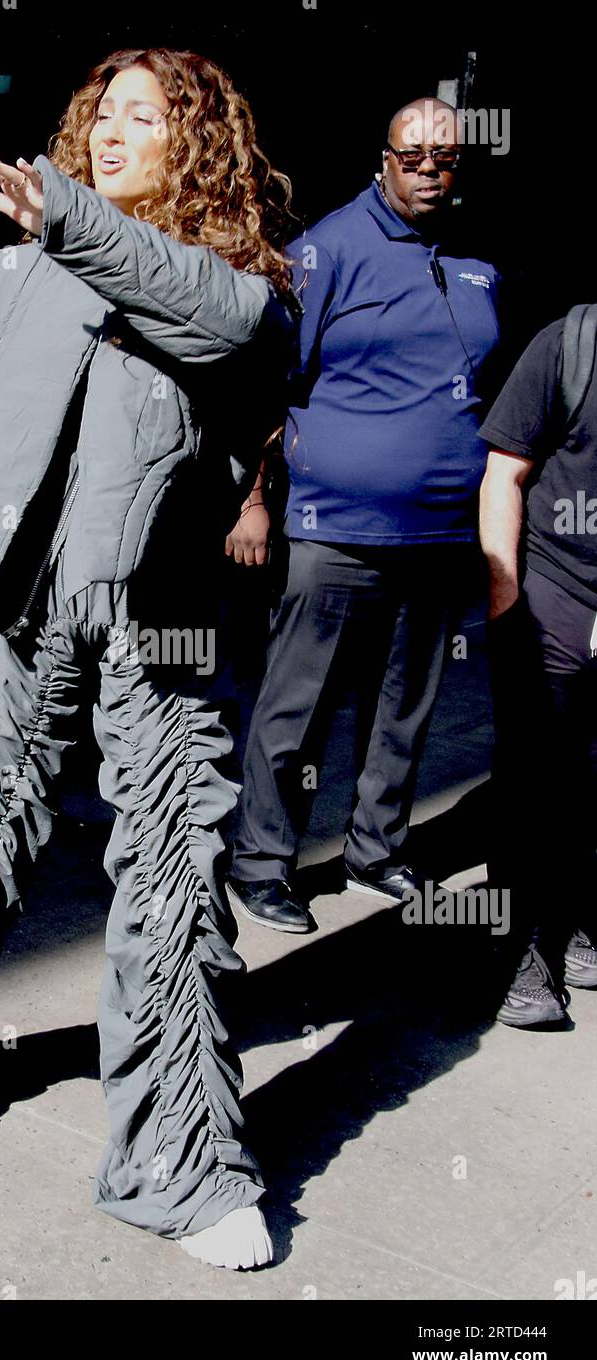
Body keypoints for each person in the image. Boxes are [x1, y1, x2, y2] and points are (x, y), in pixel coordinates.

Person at [0, 48, 298, 1271]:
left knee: (174, 875)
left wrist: (72, 222)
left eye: (148, 117)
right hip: (13, 609)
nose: (115, 133)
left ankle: (178, 1164)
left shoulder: (232, 279)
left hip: (157, 618)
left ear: (196, 146)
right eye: (104, 115)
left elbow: (219, 321)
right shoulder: (17, 272)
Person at [227, 97, 502, 931]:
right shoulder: (328, 251)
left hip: (442, 532)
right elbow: (266, 386)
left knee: (406, 704)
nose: (429, 172)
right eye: (412, 157)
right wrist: (253, 500)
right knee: (298, 704)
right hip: (335, 528)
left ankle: (376, 851)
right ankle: (261, 863)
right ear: (384, 160)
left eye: (444, 159)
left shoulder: (478, 257)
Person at [479, 304, 597, 1026]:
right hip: (557, 587)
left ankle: (578, 922)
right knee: (534, 776)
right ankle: (520, 947)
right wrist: (507, 606)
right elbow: (504, 475)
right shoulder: (570, 345)